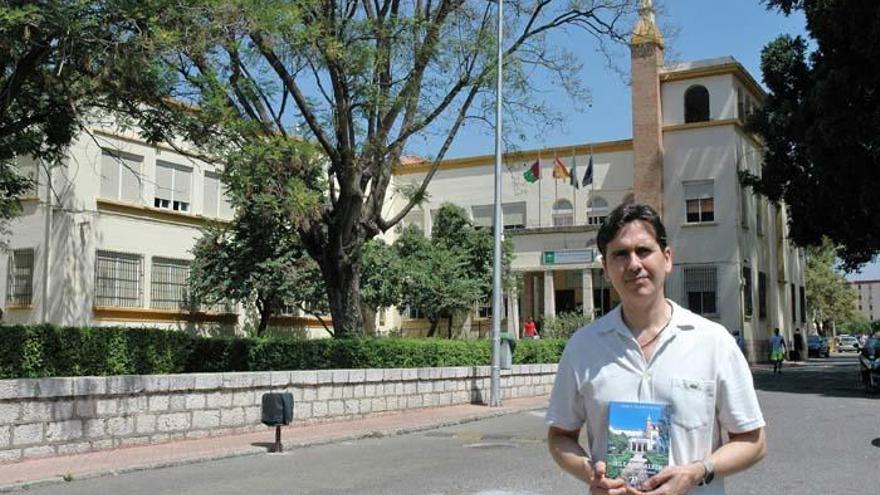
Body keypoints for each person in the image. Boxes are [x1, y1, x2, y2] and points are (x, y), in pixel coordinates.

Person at [546, 203, 766, 495]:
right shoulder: (583, 347)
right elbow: (560, 435)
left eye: (643, 251)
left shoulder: (713, 341)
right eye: (620, 254)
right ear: (606, 268)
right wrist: (591, 474)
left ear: (667, 258)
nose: (634, 264)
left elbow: (754, 440)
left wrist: (698, 471)